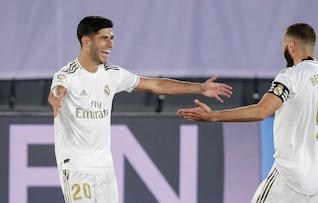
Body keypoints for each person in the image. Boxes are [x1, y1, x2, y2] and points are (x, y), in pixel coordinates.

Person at [48, 16, 232, 203]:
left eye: (112, 37)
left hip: (105, 169)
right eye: (104, 38)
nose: (110, 44)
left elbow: (157, 85)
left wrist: (200, 88)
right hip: (77, 167)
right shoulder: (68, 74)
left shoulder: (113, 74)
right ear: (86, 41)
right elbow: (58, 88)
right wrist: (57, 96)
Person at [177, 23, 318, 203]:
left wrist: (214, 116)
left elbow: (261, 111)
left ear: (291, 45)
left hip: (289, 177)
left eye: (282, 44)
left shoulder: (291, 76)